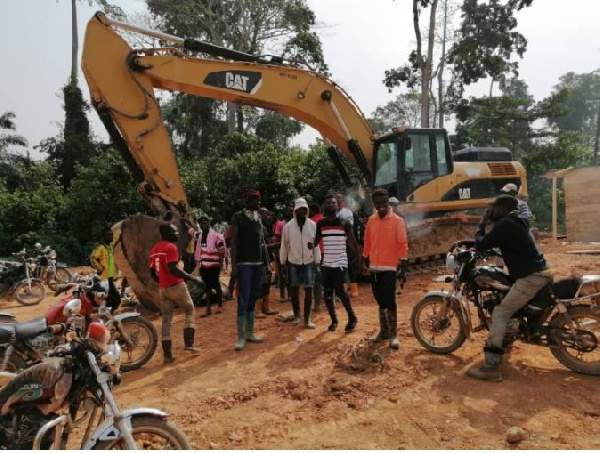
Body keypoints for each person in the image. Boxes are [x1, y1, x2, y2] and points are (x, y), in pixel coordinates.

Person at [466, 195, 553, 381]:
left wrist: (482, 222)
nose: (490, 211)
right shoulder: (519, 220)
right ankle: (508, 335)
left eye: (493, 208)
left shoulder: (505, 223)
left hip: (531, 277)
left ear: (503, 208)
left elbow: (481, 243)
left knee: (500, 313)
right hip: (539, 272)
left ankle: (491, 366)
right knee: (507, 302)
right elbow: (507, 244)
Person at [148, 223, 203, 364]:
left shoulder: (154, 249)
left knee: (166, 320)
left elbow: (151, 271)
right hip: (176, 286)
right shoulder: (171, 248)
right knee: (190, 310)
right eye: (174, 232)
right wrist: (193, 278)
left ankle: (167, 356)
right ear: (166, 233)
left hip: (163, 289)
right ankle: (189, 344)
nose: (177, 234)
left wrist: (161, 280)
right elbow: (173, 268)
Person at [362, 189, 408, 350]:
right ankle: (383, 331)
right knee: (379, 299)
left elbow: (402, 245)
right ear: (373, 203)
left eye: (384, 203)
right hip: (374, 266)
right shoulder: (371, 220)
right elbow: (367, 241)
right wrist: (364, 258)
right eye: (378, 203)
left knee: (390, 299)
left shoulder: (397, 221)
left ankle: (393, 334)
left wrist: (403, 269)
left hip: (389, 267)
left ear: (388, 202)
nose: (381, 206)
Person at [230, 189, 269, 351]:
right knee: (243, 298)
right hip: (244, 264)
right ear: (247, 201)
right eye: (255, 200)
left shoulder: (259, 218)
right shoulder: (238, 217)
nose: (258, 203)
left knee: (253, 297)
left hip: (258, 264)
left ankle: (250, 333)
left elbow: (262, 243)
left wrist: (266, 263)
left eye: (259, 200)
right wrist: (233, 266)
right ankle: (240, 336)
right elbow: (233, 243)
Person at [314, 194, 359, 333]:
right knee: (327, 293)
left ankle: (352, 317)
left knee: (340, 291)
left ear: (337, 205)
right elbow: (316, 240)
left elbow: (352, 240)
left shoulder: (344, 221)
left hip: (340, 260)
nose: (331, 204)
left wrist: (358, 256)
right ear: (324, 206)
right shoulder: (321, 223)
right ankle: (334, 320)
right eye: (328, 203)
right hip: (326, 261)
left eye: (333, 202)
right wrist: (311, 245)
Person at [280, 198, 321, 328]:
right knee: (294, 288)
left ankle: (307, 319)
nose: (302, 212)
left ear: (307, 210)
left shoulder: (312, 225)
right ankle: (297, 315)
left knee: (309, 288)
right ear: (295, 211)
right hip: (293, 261)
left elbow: (316, 244)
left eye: (304, 209)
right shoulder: (288, 227)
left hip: (309, 261)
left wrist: (317, 260)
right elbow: (284, 245)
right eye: (299, 210)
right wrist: (282, 261)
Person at [194, 215, 226, 317]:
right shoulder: (200, 236)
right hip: (204, 265)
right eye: (201, 223)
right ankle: (208, 309)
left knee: (216, 284)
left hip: (214, 264)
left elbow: (222, 250)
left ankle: (220, 306)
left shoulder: (216, 235)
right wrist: (198, 265)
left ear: (209, 223)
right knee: (206, 287)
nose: (203, 224)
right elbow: (198, 251)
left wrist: (221, 264)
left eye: (205, 222)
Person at [334, 192, 359, 297]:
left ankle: (354, 290)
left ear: (342, 199)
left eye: (339, 198)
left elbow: (350, 228)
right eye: (336, 198)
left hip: (347, 242)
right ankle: (343, 290)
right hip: (336, 244)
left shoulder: (347, 212)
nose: (337, 200)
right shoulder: (331, 213)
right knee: (340, 268)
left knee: (351, 265)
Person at [89, 229, 121, 310]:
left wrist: (123, 228)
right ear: (104, 237)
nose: (111, 236)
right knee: (114, 299)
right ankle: (105, 313)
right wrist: (100, 268)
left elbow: (116, 237)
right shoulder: (101, 248)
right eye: (109, 235)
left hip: (110, 277)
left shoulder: (110, 246)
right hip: (104, 279)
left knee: (115, 299)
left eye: (111, 234)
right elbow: (92, 258)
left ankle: (107, 312)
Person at [309, 203, 324, 311]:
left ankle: (317, 305)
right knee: (329, 277)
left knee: (317, 279)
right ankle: (332, 299)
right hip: (329, 252)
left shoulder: (312, 222)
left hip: (318, 253)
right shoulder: (326, 219)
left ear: (313, 210)